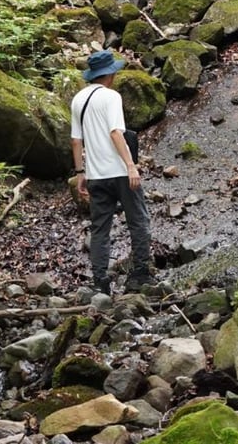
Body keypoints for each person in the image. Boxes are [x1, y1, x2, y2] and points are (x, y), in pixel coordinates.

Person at [70, 50, 153, 294]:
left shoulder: (78, 100)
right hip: (119, 172)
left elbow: (76, 140)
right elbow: (116, 133)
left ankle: (100, 281)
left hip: (96, 176)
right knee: (138, 221)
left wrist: (80, 172)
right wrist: (130, 166)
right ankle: (140, 274)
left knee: (100, 228)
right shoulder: (111, 97)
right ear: (110, 74)